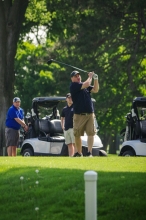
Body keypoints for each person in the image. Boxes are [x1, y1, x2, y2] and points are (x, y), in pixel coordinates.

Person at [70, 70, 99, 157]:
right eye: (75, 76)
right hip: (79, 115)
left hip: (90, 114)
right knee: (77, 134)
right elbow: (86, 84)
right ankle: (79, 153)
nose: (78, 77)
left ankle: (89, 152)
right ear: (72, 78)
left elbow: (95, 89)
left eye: (79, 75)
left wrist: (96, 79)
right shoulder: (74, 86)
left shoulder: (84, 85)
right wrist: (90, 76)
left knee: (91, 133)